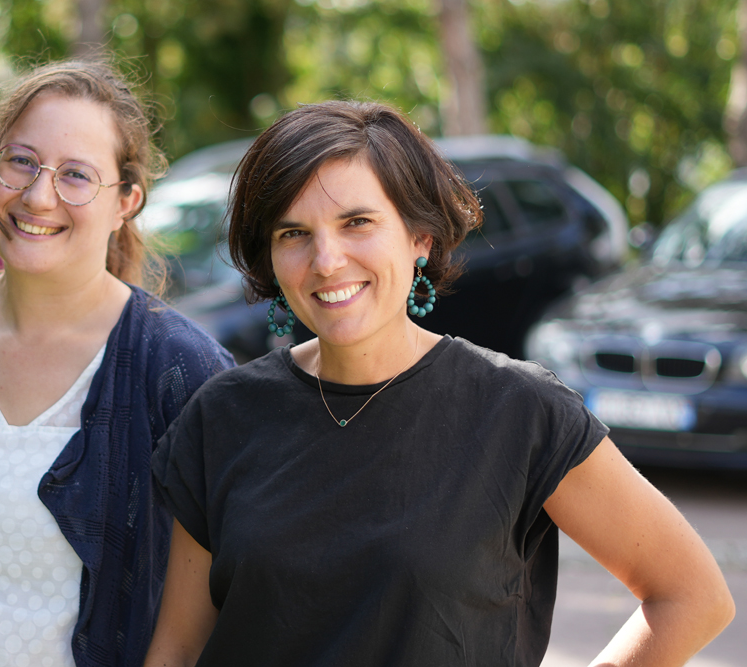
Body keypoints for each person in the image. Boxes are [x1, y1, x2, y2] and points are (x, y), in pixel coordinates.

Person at [145, 101, 735, 667]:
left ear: (420, 238)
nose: (326, 260)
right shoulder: (222, 414)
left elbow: (691, 596)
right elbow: (178, 652)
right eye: (293, 233)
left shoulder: (520, 411)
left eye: (357, 222)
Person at [0, 58, 234, 667]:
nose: (37, 195)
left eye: (77, 175)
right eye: (20, 161)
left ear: (126, 201)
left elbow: (204, 619)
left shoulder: (182, 373)